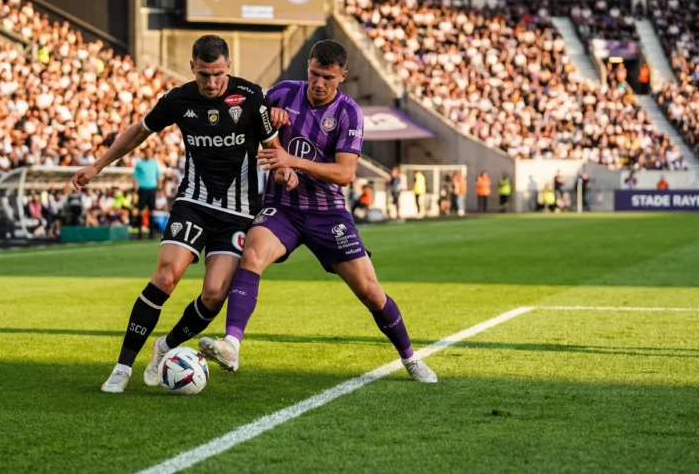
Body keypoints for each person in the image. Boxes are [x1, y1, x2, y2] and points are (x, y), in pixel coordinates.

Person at [199, 40, 436, 384]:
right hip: (282, 208)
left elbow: (344, 173)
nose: (318, 83)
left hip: (328, 215)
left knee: (370, 291)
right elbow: (250, 126)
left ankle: (411, 358)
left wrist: (291, 161)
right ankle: (231, 344)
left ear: (342, 76)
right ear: (307, 68)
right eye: (313, 74)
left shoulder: (348, 112)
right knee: (252, 255)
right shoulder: (282, 92)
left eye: (327, 76)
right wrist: (270, 123)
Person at [72, 35, 296, 394]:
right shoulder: (179, 99)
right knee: (165, 277)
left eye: (218, 74)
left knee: (214, 294)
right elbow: (138, 132)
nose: (211, 83)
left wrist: (283, 169)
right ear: (192, 67)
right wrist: (97, 165)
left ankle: (166, 346)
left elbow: (273, 147)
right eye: (204, 74)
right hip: (193, 202)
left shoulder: (251, 97)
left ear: (228, 68)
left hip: (237, 214)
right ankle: (122, 368)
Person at [133, 148, 160, 239]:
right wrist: (135, 188)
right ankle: (140, 232)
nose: (149, 154)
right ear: (144, 153)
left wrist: (159, 188)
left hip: (152, 188)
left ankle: (151, 232)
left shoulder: (154, 163)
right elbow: (135, 177)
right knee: (141, 210)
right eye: (147, 152)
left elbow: (158, 176)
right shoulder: (139, 163)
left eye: (150, 153)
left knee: (152, 210)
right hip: (143, 188)